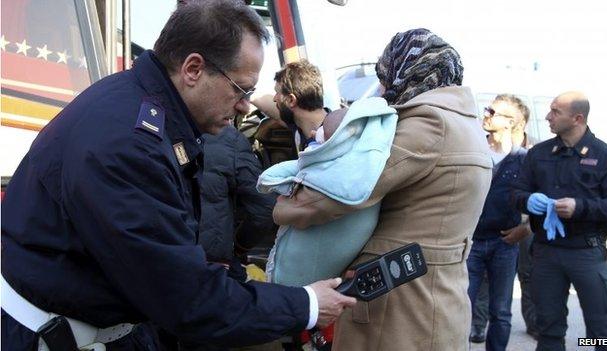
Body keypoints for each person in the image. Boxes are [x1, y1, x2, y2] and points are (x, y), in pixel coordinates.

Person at [0, 2, 356, 351]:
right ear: (193, 69)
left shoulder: (136, 105)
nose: (246, 106)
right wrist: (306, 304)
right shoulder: (131, 146)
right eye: (240, 89)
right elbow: (187, 300)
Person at [272, 28, 493, 351]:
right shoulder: (464, 123)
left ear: (406, 69)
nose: (385, 87)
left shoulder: (429, 122)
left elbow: (347, 190)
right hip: (433, 292)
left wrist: (282, 207)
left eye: (385, 76)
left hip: (401, 301)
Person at [512, 91, 607, 351]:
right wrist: (529, 201)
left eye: (555, 111)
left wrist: (579, 207)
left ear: (577, 118)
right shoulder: (538, 154)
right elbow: (515, 193)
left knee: (601, 331)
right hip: (546, 253)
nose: (548, 116)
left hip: (587, 252)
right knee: (548, 331)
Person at [257, 99, 397, 287]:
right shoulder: (369, 164)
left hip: (297, 274)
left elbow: (269, 178)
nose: (314, 133)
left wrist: (290, 187)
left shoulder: (326, 167)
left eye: (321, 131)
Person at [467, 94, 532, 350]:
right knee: (461, 307)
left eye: (492, 112)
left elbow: (544, 200)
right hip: (469, 243)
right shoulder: (472, 150)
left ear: (510, 122)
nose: (486, 114)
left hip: (504, 245)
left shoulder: (524, 161)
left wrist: (526, 229)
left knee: (501, 312)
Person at [198, 126, 278, 282]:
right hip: (212, 262)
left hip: (156, 255)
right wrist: (240, 245)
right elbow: (264, 209)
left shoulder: (145, 129)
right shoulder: (229, 139)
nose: (244, 107)